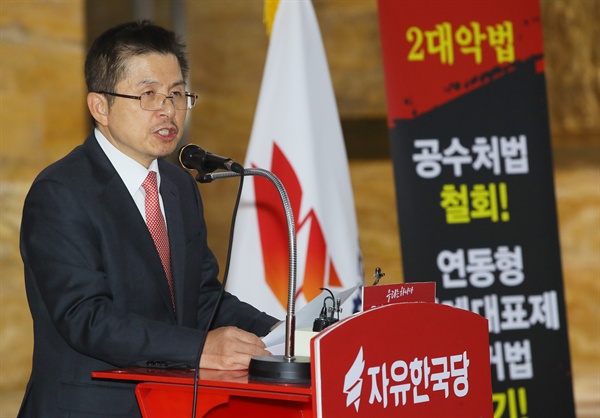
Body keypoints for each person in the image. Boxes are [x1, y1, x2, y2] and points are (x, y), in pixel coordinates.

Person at [18, 20, 279, 417]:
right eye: (149, 94)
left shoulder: (178, 186)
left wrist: (282, 334)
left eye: (177, 94)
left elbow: (203, 297)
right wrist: (200, 348)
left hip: (172, 404)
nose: (168, 110)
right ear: (100, 106)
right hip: (90, 407)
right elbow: (85, 317)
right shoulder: (61, 192)